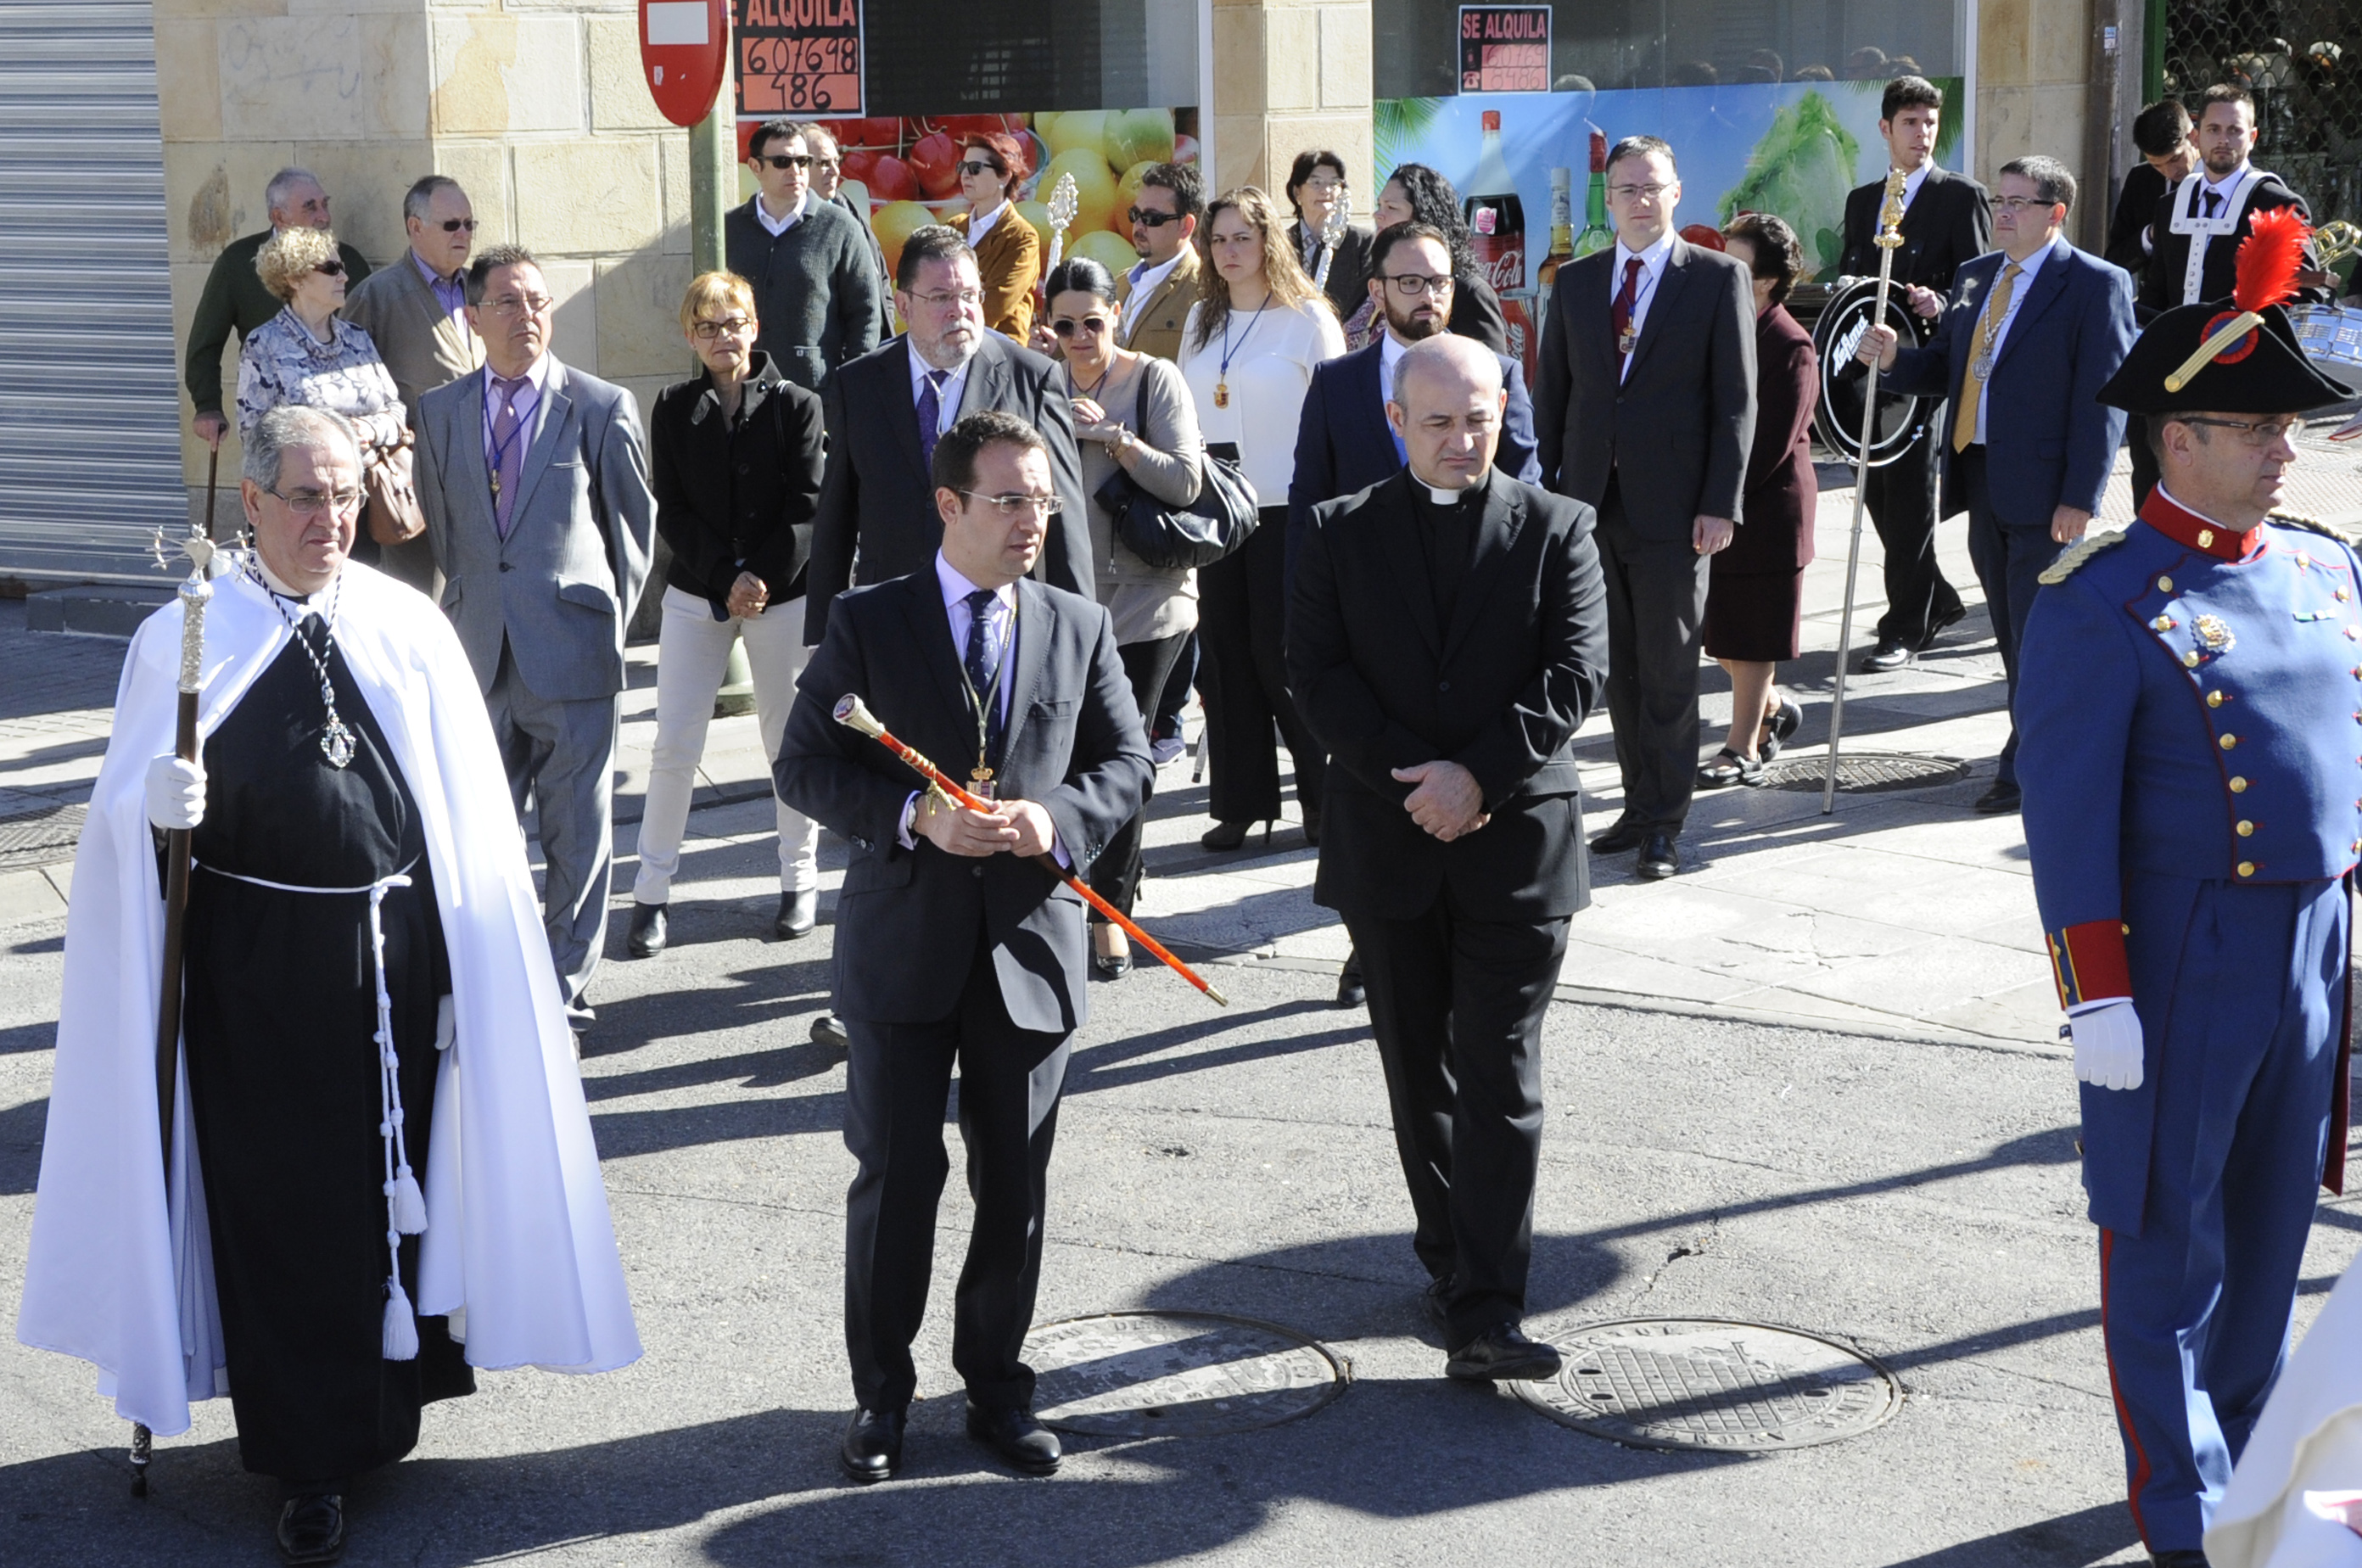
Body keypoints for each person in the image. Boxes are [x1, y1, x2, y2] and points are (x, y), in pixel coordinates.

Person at [19, 405, 640, 1565]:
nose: (330, 518)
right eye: (305, 496)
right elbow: (122, 834)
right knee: (287, 1210)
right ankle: (306, 1461)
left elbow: (469, 821)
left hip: (398, 969)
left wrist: (470, 969)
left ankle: (379, 1420)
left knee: (385, 1200)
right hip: (257, 981)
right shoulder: (186, 637)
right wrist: (149, 811)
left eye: (346, 493)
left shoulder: (408, 624)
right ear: (249, 503)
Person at [2014, 216, 2359, 1567]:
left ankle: (2248, 1460)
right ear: (2175, 440)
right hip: (2183, 947)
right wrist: (2093, 988)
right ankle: (2186, 1512)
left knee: (2274, 1231)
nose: (2287, 447)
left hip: (2315, 936)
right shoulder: (2100, 599)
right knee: (2165, 1241)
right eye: (2256, 426)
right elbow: (2066, 817)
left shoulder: (2327, 567)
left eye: (2287, 426)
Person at [775, 410, 1153, 1486]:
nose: (1032, 519)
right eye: (1009, 500)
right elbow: (804, 765)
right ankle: (880, 1400)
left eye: (1041, 499)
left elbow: (1128, 759)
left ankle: (997, 1388)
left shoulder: (1077, 624)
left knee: (1015, 1187)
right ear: (948, 506)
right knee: (895, 1182)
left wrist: (1060, 820)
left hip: (1029, 949)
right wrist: (913, 818)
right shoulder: (870, 619)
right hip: (903, 947)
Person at [1286, 334, 1608, 1384]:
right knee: (1415, 1068)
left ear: (1504, 406)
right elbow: (1316, 675)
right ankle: (1448, 1253)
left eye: (1478, 419)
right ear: (1396, 421)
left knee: (1501, 1073)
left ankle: (1488, 1307)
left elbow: (1574, 674)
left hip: (1515, 843)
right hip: (1389, 841)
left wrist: (1477, 776)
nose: (1462, 440)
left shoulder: (1560, 527)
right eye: (1438, 422)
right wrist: (1409, 783)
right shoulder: (1337, 531)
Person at [1285, 219, 1543, 1007]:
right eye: (1410, 282)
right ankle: (1374, 946)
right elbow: (1309, 500)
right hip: (1370, 637)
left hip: (1472, 628)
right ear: (1378, 291)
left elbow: (1529, 486)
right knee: (1372, 793)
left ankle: (1458, 934)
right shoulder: (1339, 384)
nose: (1428, 296)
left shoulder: (1493, 370)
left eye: (1439, 282)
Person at [412, 245, 656, 1032]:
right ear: (474, 317)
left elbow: (633, 538)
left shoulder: (599, 404)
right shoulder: (441, 412)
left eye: (539, 302)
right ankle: (494, 972)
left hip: (574, 651)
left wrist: (604, 628)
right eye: (509, 303)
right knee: (483, 829)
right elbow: (447, 535)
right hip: (480, 651)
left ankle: (560, 991)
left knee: (577, 832)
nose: (528, 317)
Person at [1857, 156, 2135, 815]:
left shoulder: (2094, 284)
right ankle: (2034, 745)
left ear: (2054, 213)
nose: (2003, 212)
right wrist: (1896, 359)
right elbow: (1951, 369)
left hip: (2044, 490)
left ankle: (2026, 765)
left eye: (2019, 202)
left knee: (2037, 636)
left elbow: (2104, 400)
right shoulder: (1975, 276)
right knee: (2012, 632)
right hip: (1978, 475)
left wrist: (2080, 496)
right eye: (2000, 199)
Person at [1532, 134, 1755, 881]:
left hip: (1676, 511)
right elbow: (1553, 398)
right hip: (1592, 506)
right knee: (1614, 670)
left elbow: (1735, 405)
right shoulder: (1577, 282)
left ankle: (1666, 822)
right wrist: (1552, 500)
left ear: (1676, 190)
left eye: (1651, 187)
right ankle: (1635, 805)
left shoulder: (1717, 278)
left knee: (1667, 670)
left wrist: (1720, 504)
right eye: (1624, 189)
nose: (1638, 201)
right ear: (1609, 197)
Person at [625, 271, 827, 961]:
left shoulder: (798, 404)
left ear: (755, 326)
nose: (722, 336)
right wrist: (724, 578)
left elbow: (807, 506)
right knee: (674, 745)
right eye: (707, 326)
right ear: (690, 335)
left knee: (786, 745)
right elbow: (671, 507)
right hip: (695, 593)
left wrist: (761, 577)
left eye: (732, 322)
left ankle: (798, 884)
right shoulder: (673, 406)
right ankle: (651, 895)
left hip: (783, 596)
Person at [803, 226, 1089, 647]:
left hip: (996, 615)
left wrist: (1076, 638)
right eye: (941, 298)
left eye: (970, 296)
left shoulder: (1030, 378)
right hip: (890, 613)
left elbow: (1063, 521)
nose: (961, 311)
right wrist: (822, 637)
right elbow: (836, 519)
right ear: (904, 305)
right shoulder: (859, 384)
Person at [1046, 257, 1203, 981]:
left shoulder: (1152, 380)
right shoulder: (1042, 383)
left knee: (1124, 753)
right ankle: (1085, 898)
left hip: (1148, 598)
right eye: (1065, 325)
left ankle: (1112, 918)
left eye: (1095, 322)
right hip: (1067, 601)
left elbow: (1186, 479)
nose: (1081, 337)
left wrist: (1113, 436)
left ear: (1117, 316)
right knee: (1074, 757)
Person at [1176, 186, 1345, 851]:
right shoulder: (1200, 321)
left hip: (1286, 508)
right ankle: (1241, 803)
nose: (1228, 251)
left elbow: (1334, 420)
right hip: (1216, 509)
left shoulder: (1307, 318)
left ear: (1269, 240)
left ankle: (1321, 798)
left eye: (1242, 237)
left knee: (1286, 657)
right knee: (1224, 658)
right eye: (1218, 239)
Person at [1835, 76, 1990, 673]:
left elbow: (1977, 285)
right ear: (1885, 129)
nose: (1921, 134)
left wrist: (1941, 301)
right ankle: (1938, 599)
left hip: (1923, 369)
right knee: (1875, 490)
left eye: (1929, 123)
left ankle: (1906, 624)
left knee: (1910, 501)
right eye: (1909, 123)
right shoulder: (1861, 200)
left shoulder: (1960, 196)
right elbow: (1853, 279)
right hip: (1867, 374)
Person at [2131, 84, 2326, 507]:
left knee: (2227, 497)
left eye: (2235, 130)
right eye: (2214, 128)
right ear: (2196, 134)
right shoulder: (2171, 204)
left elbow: (2299, 300)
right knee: (2155, 486)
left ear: (2252, 137)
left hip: (2240, 383)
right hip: (2173, 375)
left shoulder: (2276, 201)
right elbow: (2158, 290)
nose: (2223, 139)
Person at [1698, 213, 1816, 789]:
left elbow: (1768, 443)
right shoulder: (1721, 326)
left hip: (1766, 510)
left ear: (1766, 280)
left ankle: (1742, 746)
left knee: (1749, 636)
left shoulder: (1789, 343)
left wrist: (1718, 493)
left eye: (1734, 262)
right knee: (1715, 631)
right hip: (1713, 500)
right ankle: (1772, 708)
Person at [234, 226, 407, 580]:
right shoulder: (264, 344)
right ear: (296, 278)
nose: (344, 276)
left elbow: (397, 412)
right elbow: (255, 437)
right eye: (331, 269)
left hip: (361, 503)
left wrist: (367, 429)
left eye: (341, 267)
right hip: (299, 510)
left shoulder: (357, 339)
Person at [339, 175, 486, 591]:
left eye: (469, 224)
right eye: (451, 225)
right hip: (415, 476)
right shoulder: (379, 295)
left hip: (486, 468)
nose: (463, 234)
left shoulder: (484, 288)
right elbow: (346, 386)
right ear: (415, 227)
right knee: (418, 596)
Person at [185, 167, 372, 452]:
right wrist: (207, 405)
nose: (324, 216)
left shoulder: (350, 262)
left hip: (348, 425)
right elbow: (205, 342)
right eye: (310, 207)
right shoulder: (238, 263)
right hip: (276, 422)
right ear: (279, 217)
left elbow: (374, 340)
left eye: (324, 204)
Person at [726, 119, 884, 393]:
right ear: (755, 167)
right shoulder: (730, 229)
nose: (796, 171)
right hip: (744, 396)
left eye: (802, 161)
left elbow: (867, 315)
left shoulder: (841, 227)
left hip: (819, 397)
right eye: (782, 162)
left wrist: (848, 385)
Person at [1363, 165, 1510, 353]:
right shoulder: (1378, 277)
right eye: (1379, 205)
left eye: (1391, 207)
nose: (1378, 215)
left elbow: (1494, 371)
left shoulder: (1470, 293)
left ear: (1422, 216)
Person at [804, 121, 894, 343]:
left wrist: (884, 324)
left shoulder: (850, 210)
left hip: (868, 352)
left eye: (837, 161)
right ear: (799, 166)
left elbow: (881, 278)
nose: (835, 171)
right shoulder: (788, 223)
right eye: (824, 163)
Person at [1116, 161, 1206, 362]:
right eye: (1135, 214)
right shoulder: (1120, 284)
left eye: (1152, 218)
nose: (1139, 225)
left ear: (1186, 226)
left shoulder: (1204, 290)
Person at [960, 132, 1042, 341]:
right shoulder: (953, 227)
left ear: (1004, 177)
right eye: (962, 167)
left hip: (1001, 358)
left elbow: (995, 305)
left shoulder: (1022, 237)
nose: (965, 175)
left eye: (975, 168)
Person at [2105, 99, 2196, 277]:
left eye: (2175, 159)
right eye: (2157, 165)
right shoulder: (2141, 180)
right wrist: (2150, 236)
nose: (2169, 172)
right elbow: (2115, 262)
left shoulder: (2219, 177)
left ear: (2194, 137)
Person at [1285, 150, 1374, 323]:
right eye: (1316, 182)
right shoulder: (1280, 244)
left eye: (1334, 184)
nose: (1326, 190)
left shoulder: (1362, 243)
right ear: (1297, 193)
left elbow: (1365, 307)